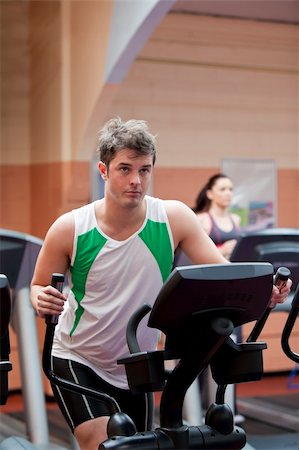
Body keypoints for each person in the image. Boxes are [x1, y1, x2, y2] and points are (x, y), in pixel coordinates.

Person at [30, 118, 291, 450]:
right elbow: (37, 286)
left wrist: (262, 292)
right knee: (103, 444)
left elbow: (226, 274)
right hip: (77, 356)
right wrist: (41, 299)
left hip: (136, 361)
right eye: (124, 169)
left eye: (144, 170)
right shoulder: (71, 228)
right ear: (104, 170)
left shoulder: (173, 218)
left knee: (139, 447)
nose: (136, 180)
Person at [193, 173, 241, 259]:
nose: (228, 193)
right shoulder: (201, 219)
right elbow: (194, 255)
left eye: (230, 189)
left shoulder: (236, 219)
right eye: (222, 189)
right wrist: (222, 251)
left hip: (233, 269)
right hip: (213, 270)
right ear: (210, 194)